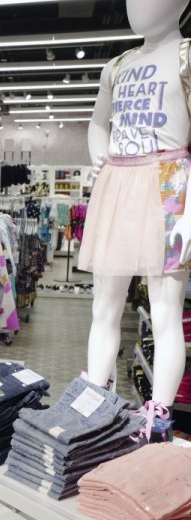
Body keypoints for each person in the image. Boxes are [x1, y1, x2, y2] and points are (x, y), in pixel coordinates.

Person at [78, 0, 191, 441]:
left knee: (166, 310)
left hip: (170, 182)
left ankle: (156, 417)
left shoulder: (187, 56)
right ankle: (93, 396)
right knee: (103, 305)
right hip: (119, 180)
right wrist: (98, 154)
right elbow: (97, 123)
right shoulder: (118, 65)